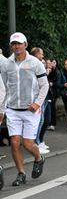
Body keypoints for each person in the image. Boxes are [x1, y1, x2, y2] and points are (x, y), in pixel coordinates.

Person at [0, 32, 49, 186]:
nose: (16, 46)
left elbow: (44, 85)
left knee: (27, 144)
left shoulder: (35, 63)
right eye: (13, 44)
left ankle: (38, 158)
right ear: (10, 46)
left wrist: (37, 103)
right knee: (14, 143)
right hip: (13, 109)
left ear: (25, 45)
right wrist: (2, 110)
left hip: (30, 110)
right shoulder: (7, 64)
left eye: (19, 43)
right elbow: (4, 88)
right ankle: (21, 173)